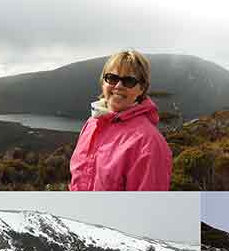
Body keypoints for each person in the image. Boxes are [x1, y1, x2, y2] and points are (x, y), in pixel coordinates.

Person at [69, 50, 172, 191]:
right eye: (111, 78)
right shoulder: (92, 124)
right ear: (103, 82)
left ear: (141, 88)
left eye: (128, 81)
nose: (118, 86)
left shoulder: (148, 142)